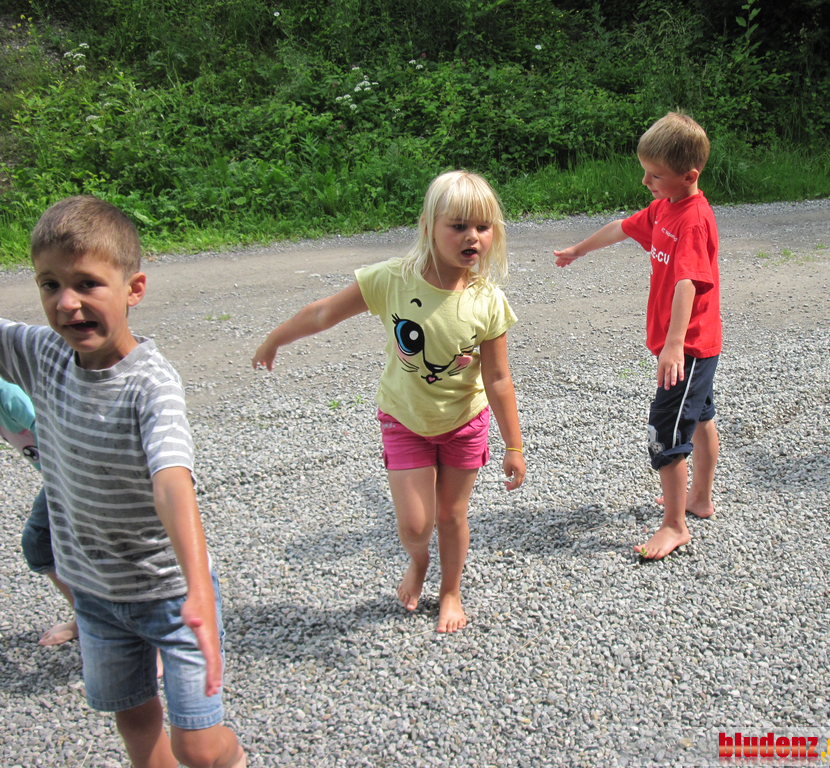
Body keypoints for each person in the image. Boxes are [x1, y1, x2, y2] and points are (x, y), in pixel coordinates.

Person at [0, 196, 245, 768]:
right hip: (95, 594)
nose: (67, 303)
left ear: (133, 289)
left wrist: (199, 587)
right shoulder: (41, 354)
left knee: (198, 747)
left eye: (87, 284)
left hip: (172, 596)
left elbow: (171, 481)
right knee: (133, 717)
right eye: (50, 285)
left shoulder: (150, 384)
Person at [253, 170, 526, 633]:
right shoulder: (392, 280)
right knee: (416, 526)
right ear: (428, 226)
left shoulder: (488, 301)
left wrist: (513, 445)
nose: (472, 237)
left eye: (482, 227)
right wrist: (275, 339)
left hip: (465, 423)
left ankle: (451, 590)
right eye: (458, 226)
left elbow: (498, 378)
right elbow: (324, 312)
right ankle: (419, 562)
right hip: (405, 420)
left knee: (451, 516)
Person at [554, 112, 721, 560]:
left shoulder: (693, 220)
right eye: (644, 171)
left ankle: (675, 525)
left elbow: (687, 283)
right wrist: (578, 249)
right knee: (700, 418)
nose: (645, 181)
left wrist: (673, 345)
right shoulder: (666, 207)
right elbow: (623, 227)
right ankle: (699, 498)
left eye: (655, 175)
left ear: (689, 176)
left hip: (688, 348)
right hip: (693, 346)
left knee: (666, 432)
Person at [1, 379, 79, 646]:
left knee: (41, 542)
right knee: (39, 544)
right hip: (61, 476)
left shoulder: (9, 395)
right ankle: (89, 618)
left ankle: (148, 638)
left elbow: (55, 435)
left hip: (77, 472)